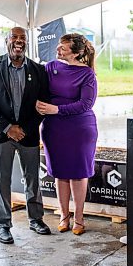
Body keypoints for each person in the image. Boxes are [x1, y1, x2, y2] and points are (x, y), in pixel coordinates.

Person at [0, 27, 51, 244]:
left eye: (22, 38)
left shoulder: (38, 70)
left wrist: (25, 129)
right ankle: (4, 224)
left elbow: (43, 105)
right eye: (14, 37)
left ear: (26, 42)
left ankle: (36, 219)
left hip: (27, 135)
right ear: (7, 41)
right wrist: (7, 128)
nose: (18, 41)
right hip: (2, 135)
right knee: (2, 180)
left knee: (33, 179)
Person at [36, 33, 98, 236]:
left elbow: (86, 103)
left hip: (80, 128)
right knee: (60, 173)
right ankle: (64, 216)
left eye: (63, 47)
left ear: (77, 53)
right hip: (54, 128)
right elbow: (39, 90)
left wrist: (57, 110)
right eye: (59, 46)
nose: (58, 50)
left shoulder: (87, 74)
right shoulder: (50, 67)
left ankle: (79, 219)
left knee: (79, 174)